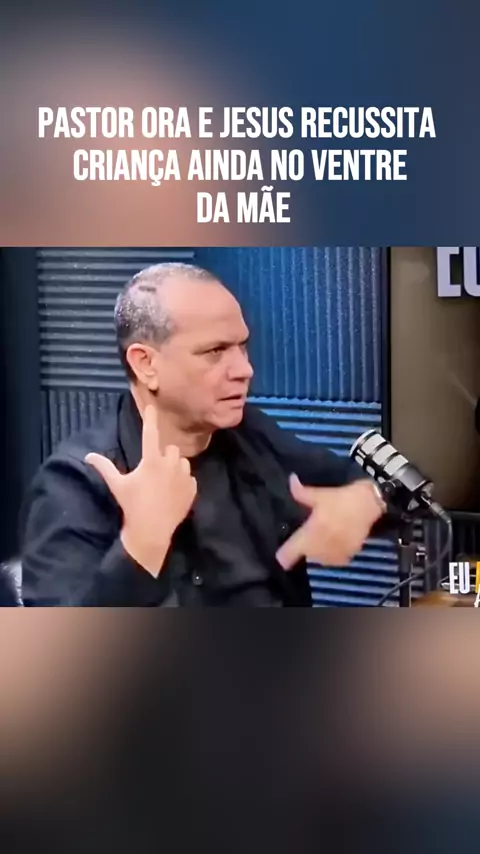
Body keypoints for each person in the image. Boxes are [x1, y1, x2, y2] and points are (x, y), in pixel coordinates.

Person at [20, 263, 387, 607]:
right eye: (215, 351)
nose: (244, 369)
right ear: (146, 364)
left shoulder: (251, 435)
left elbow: (380, 488)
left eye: (242, 346)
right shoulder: (75, 483)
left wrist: (367, 499)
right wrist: (141, 545)